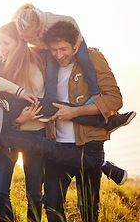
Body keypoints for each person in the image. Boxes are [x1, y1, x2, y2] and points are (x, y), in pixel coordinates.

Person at [0, 60, 128, 192]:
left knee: (48, 105)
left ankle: (105, 120)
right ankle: (103, 167)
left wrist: (20, 92)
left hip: (5, 108)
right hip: (1, 135)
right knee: (46, 147)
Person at [42, 20, 126, 221]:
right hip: (57, 144)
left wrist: (76, 112)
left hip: (89, 144)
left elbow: (114, 99)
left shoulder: (92, 56)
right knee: (52, 205)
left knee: (88, 210)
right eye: (54, 49)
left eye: (63, 49)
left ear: (76, 45)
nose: (59, 54)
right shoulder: (48, 63)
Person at [0, 21, 46, 222]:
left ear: (19, 42)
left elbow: (41, 100)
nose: (2, 48)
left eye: (6, 43)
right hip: (6, 134)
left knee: (34, 193)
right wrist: (17, 119)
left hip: (35, 134)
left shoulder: (38, 64)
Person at [14, 2, 100, 105]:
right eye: (23, 38)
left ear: (39, 28)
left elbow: (71, 20)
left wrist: (79, 40)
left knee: (83, 58)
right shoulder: (24, 28)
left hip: (74, 37)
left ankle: (96, 92)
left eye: (30, 37)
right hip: (52, 46)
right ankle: (50, 103)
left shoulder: (49, 20)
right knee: (51, 71)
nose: (27, 40)